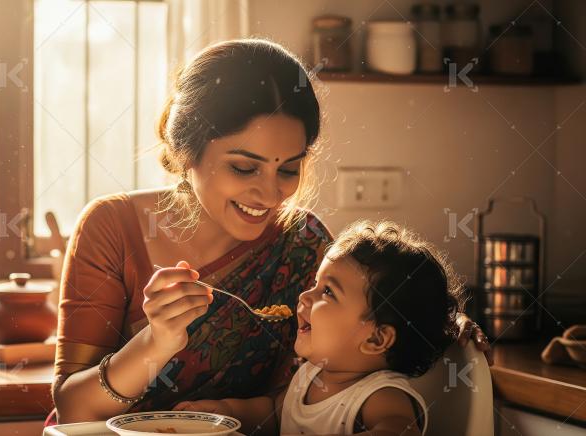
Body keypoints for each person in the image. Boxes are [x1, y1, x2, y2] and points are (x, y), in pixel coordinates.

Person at [48, 39, 490, 426]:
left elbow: (351, 342)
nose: (270, 193)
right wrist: (156, 341)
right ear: (187, 150)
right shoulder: (112, 227)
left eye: (290, 168)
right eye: (244, 167)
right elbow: (73, 410)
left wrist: (440, 323)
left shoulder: (302, 244)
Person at [176, 220, 463, 435]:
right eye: (315, 283)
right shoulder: (311, 375)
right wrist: (226, 412)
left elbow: (401, 429)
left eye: (328, 292)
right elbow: (276, 413)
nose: (304, 296)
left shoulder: (378, 395)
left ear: (376, 338)